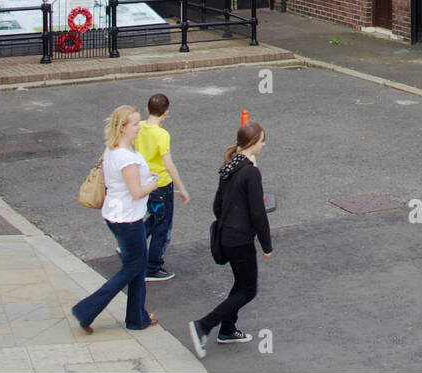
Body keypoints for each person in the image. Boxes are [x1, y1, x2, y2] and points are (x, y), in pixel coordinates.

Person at [188, 122, 272, 359]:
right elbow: (258, 212)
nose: (264, 145)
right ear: (253, 143)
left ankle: (227, 329)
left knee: (239, 284)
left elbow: (217, 205)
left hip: (226, 235)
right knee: (248, 290)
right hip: (241, 239)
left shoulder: (229, 167)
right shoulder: (250, 172)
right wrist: (267, 245)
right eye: (262, 141)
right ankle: (203, 325)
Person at [72, 106, 159, 333]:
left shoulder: (113, 149)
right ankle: (86, 310)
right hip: (128, 220)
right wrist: (153, 183)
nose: (139, 127)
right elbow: (137, 192)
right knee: (133, 268)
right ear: (123, 128)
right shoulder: (125, 158)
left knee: (137, 268)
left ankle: (137, 318)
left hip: (119, 216)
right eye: (135, 124)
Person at [136, 92, 190, 282]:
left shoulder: (139, 127)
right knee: (162, 226)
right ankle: (153, 267)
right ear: (166, 112)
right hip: (162, 184)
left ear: (146, 109)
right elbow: (168, 164)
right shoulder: (162, 134)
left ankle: (132, 242)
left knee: (153, 217)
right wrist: (181, 188)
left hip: (145, 183)